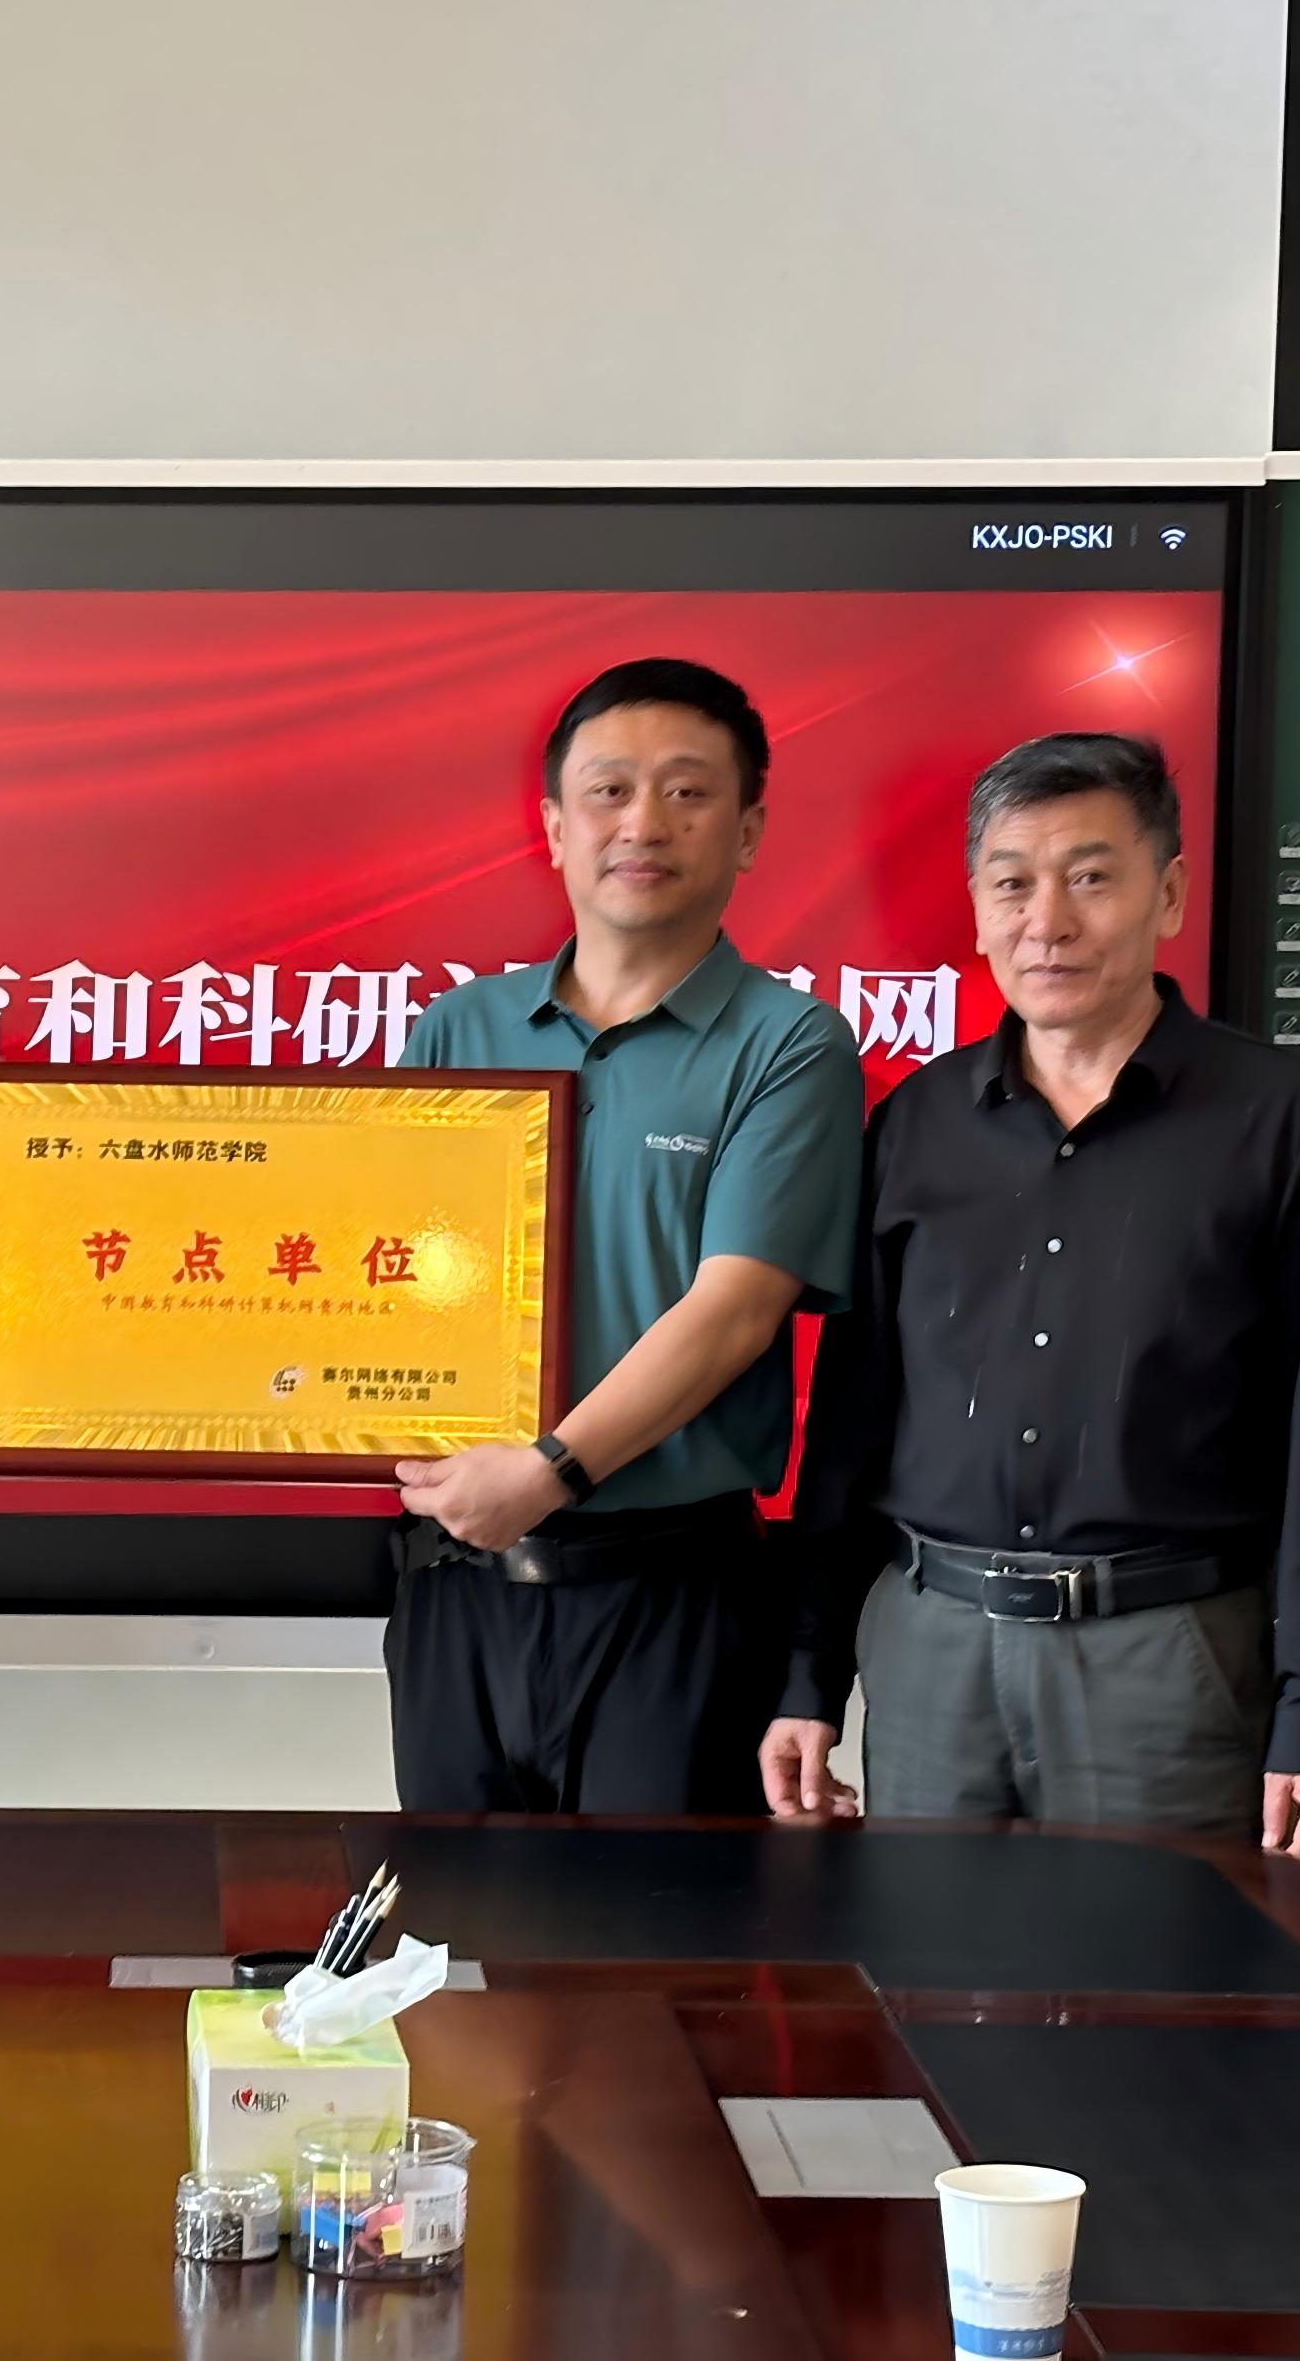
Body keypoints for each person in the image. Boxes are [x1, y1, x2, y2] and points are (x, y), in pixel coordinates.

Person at [763, 731, 1300, 1858]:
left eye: (1091, 877)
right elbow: (851, 1419)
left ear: (1170, 893)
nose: (1046, 921)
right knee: (925, 1968)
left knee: (1150, 1969)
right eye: (1012, 884)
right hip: (932, 1646)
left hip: (1165, 1652)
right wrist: (807, 1674)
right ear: (978, 907)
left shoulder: (1283, 1119)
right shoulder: (915, 1122)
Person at [384, 659, 865, 1815]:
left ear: (748, 832)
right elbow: (383, 1277)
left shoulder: (789, 1044)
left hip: (670, 1595)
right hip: (456, 1589)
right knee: (453, 1921)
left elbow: (736, 1310)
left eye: (687, 792)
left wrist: (550, 1469)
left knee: (650, 1927)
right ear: (555, 828)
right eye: (608, 791)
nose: (643, 823)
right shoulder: (459, 1029)